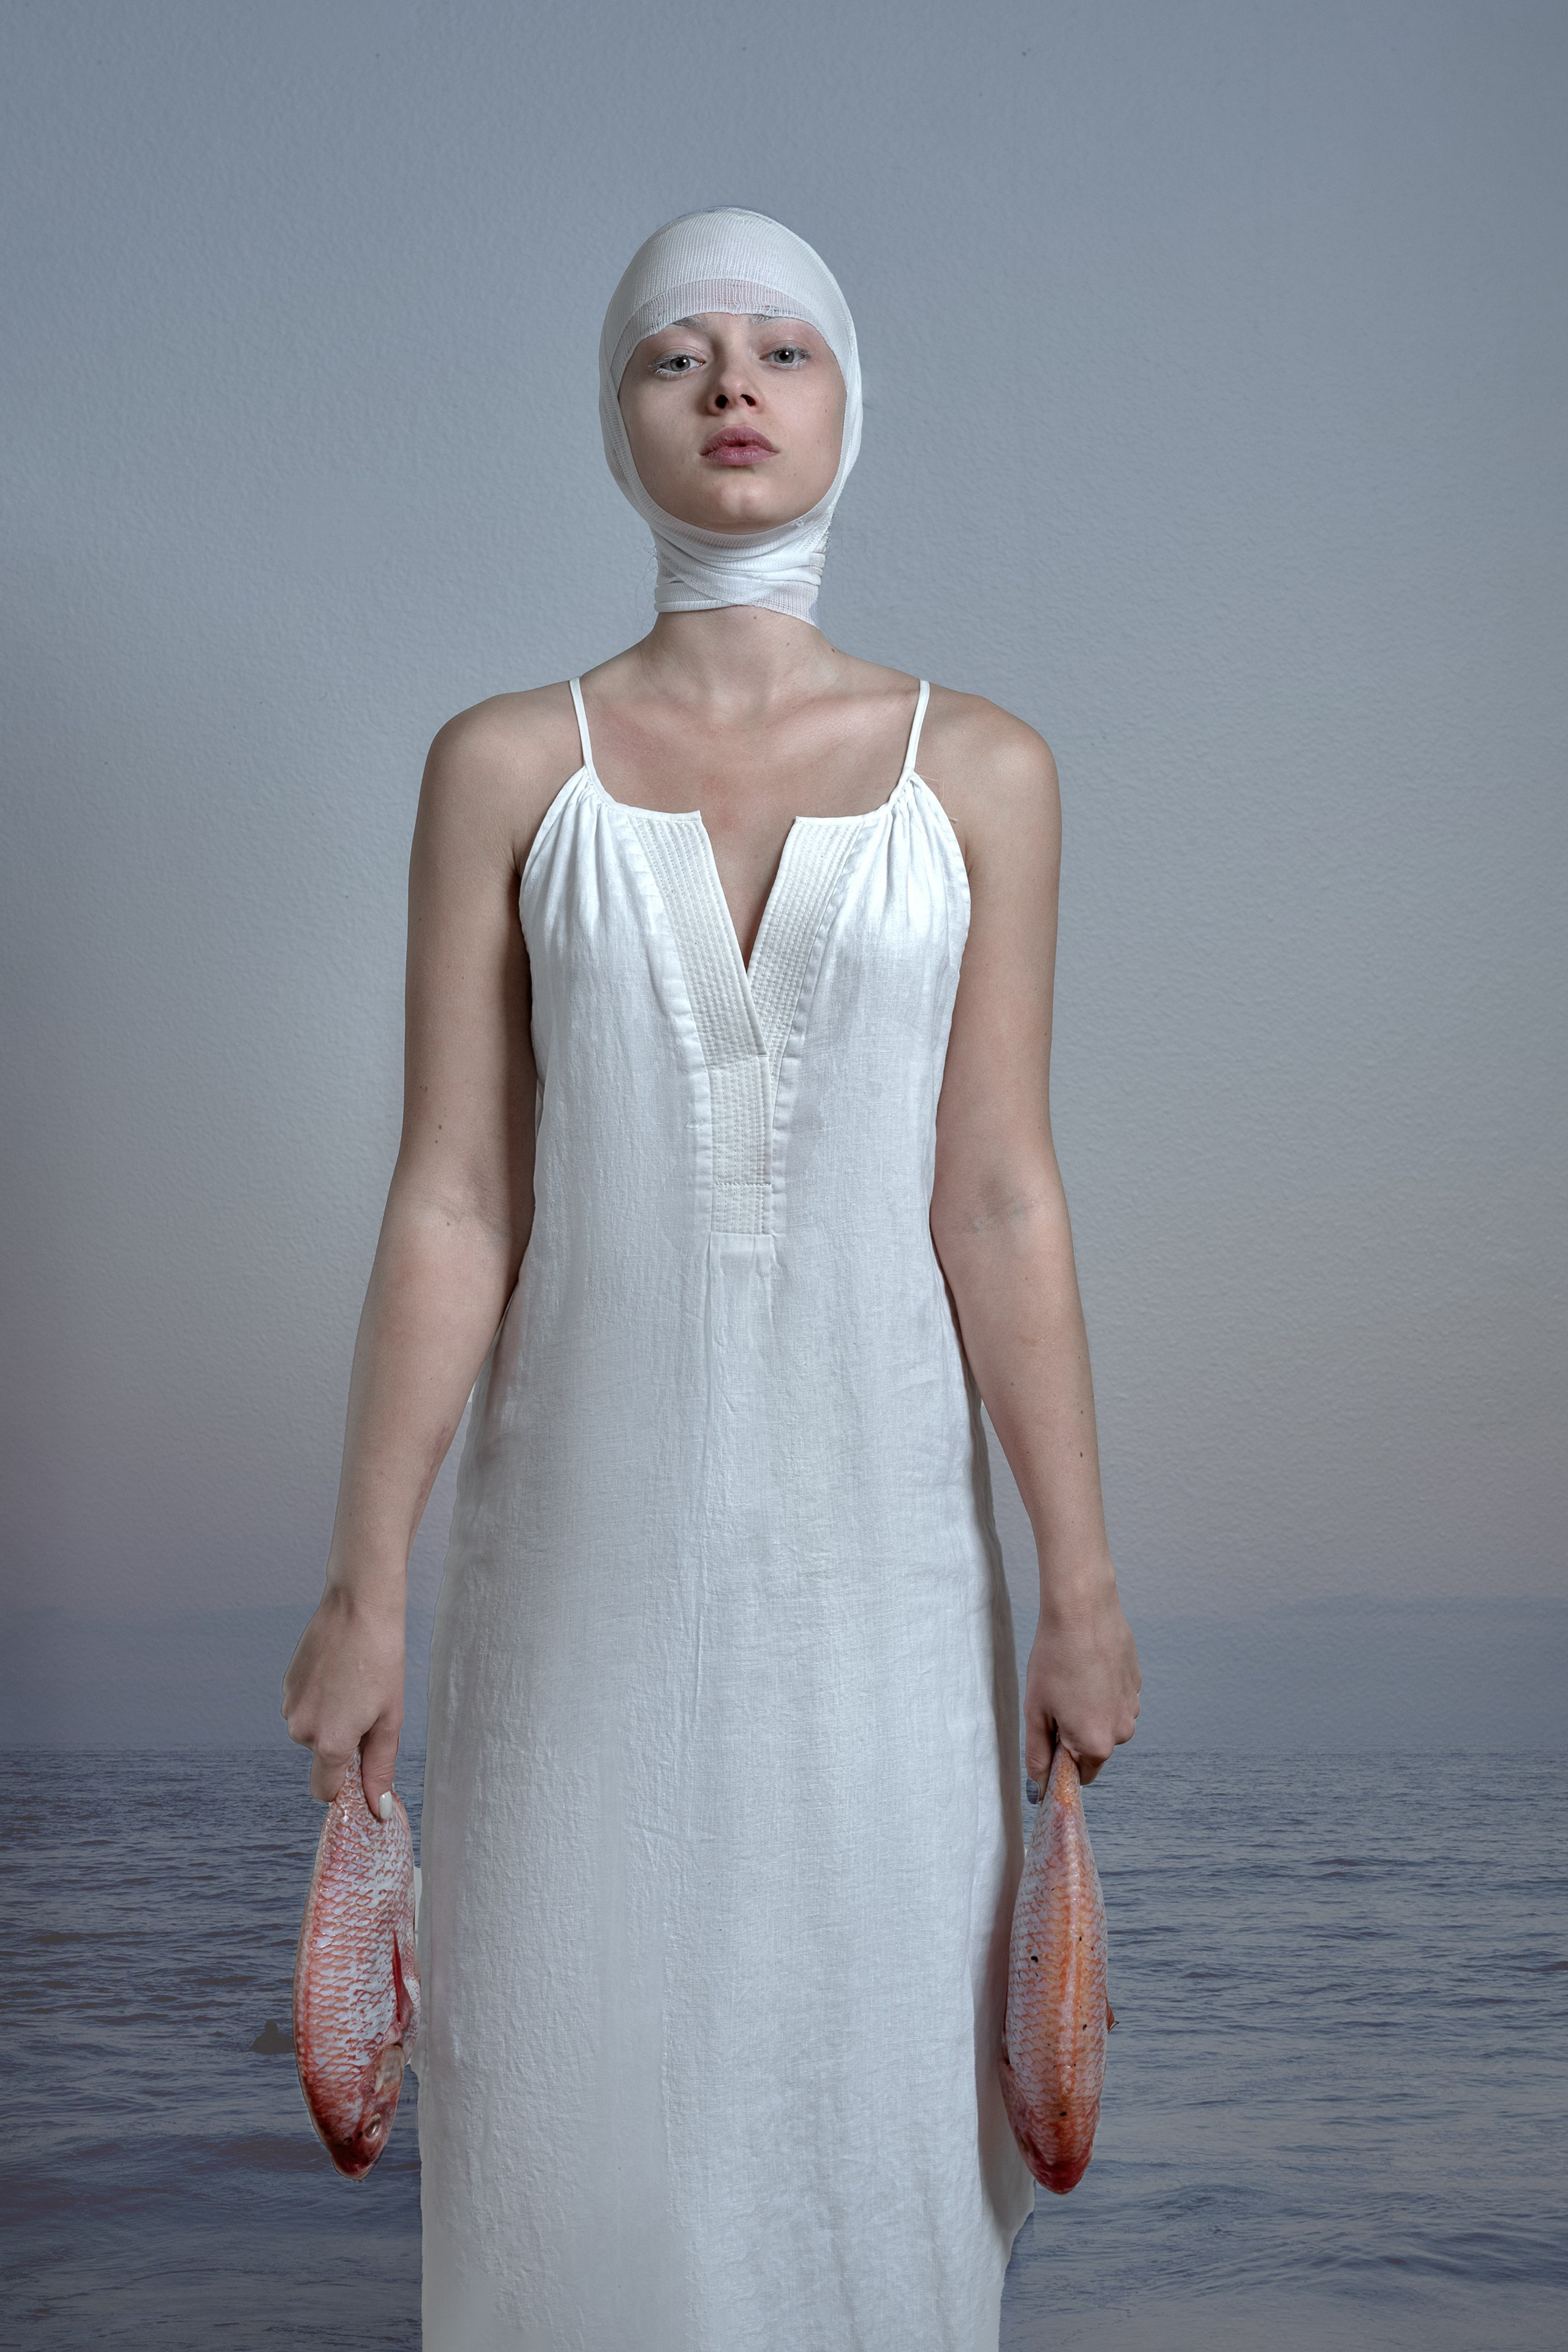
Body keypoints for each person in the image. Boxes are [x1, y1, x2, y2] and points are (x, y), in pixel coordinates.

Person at [282, 207, 1140, 2351]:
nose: (733, 386)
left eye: (782, 350)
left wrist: (1084, 1585)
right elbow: (457, 1199)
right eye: (678, 356)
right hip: (581, 1584)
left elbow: (1004, 1205)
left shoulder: (988, 772)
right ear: (617, 422)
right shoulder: (503, 765)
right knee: (586, 2133)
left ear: (853, 409)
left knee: (873, 2142)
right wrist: (365, 1581)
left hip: (886, 1594)